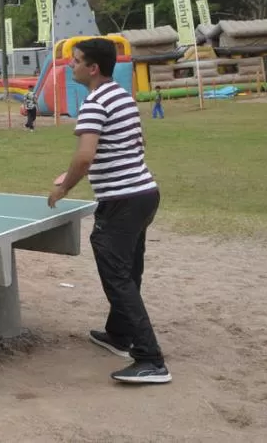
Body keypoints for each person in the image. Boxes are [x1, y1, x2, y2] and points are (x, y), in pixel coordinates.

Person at [48, 38, 170, 385]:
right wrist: (75, 173)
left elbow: (85, 156)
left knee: (116, 276)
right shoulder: (122, 96)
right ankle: (119, 335)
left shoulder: (94, 102)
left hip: (122, 201)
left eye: (76, 61)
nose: (70, 65)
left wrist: (64, 187)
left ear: (93, 68)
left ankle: (150, 359)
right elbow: (134, 143)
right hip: (144, 194)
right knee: (129, 270)